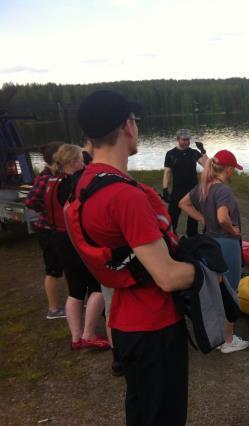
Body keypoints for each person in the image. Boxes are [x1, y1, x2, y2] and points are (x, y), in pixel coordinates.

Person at [68, 90, 196, 425]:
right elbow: (167, 277)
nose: (137, 127)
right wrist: (208, 271)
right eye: (136, 121)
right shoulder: (125, 197)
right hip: (155, 327)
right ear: (127, 126)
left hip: (124, 322)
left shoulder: (82, 187)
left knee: (141, 412)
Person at [178, 149, 249, 354]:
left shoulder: (204, 186)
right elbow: (222, 217)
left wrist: (202, 219)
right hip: (227, 243)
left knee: (216, 287)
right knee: (230, 289)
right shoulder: (223, 190)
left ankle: (217, 333)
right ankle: (228, 340)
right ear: (227, 169)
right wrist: (231, 230)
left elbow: (183, 203)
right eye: (233, 169)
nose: (234, 173)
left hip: (210, 243)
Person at [46, 144, 109, 349]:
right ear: (73, 162)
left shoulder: (51, 180)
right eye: (81, 159)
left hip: (56, 237)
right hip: (73, 239)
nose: (84, 163)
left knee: (75, 289)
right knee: (98, 285)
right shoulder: (73, 182)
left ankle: (75, 338)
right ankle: (88, 335)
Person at [25, 141, 66, 319]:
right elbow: (30, 200)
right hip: (48, 230)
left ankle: (77, 299)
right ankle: (54, 309)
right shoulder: (45, 177)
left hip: (59, 229)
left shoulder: (59, 175)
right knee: (53, 270)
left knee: (69, 265)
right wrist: (48, 210)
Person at [163, 129, 207, 237]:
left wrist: (203, 151)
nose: (186, 142)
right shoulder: (170, 154)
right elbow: (167, 172)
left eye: (188, 140)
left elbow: (207, 165)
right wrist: (165, 190)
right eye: (184, 140)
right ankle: (171, 237)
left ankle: (192, 236)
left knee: (193, 217)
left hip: (193, 190)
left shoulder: (193, 153)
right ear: (178, 139)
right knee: (172, 216)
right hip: (177, 190)